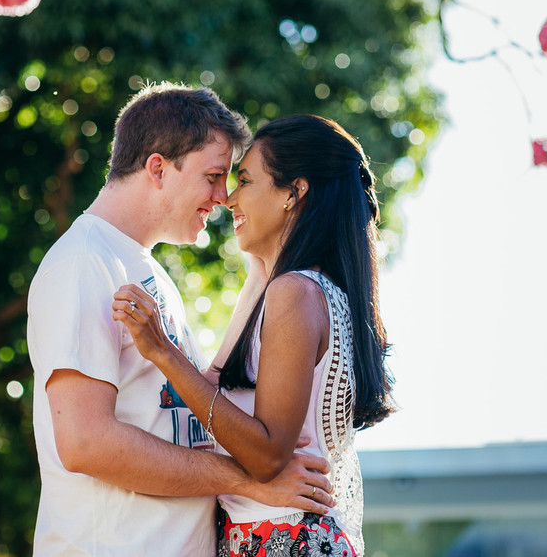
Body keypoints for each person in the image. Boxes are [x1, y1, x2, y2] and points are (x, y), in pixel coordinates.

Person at [27, 84, 336, 556]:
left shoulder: (149, 272)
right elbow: (85, 442)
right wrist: (248, 480)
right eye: (213, 176)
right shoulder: (85, 262)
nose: (224, 196)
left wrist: (261, 269)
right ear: (157, 168)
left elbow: (198, 401)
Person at [114, 114, 394, 557]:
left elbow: (267, 457)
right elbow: (213, 392)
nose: (227, 199)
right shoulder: (302, 289)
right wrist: (259, 269)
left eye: (245, 180)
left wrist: (162, 352)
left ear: (293, 193)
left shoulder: (295, 293)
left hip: (283, 539)